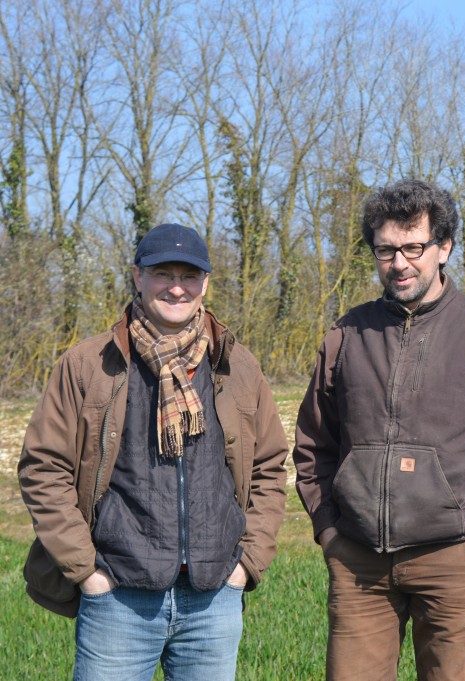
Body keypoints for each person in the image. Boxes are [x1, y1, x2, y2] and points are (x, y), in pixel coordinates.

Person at [292, 179, 465, 680]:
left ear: (444, 248)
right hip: (360, 565)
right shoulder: (347, 334)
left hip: (451, 559)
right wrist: (329, 530)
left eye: (413, 247)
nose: (399, 263)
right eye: (386, 249)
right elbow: (312, 446)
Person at [19, 223, 289, 680]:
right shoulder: (89, 364)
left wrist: (247, 564)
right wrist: (88, 572)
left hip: (213, 597)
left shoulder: (236, 365)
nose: (177, 287)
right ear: (137, 276)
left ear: (205, 283)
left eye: (189, 275)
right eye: (163, 273)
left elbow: (269, 467)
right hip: (118, 597)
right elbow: (43, 470)